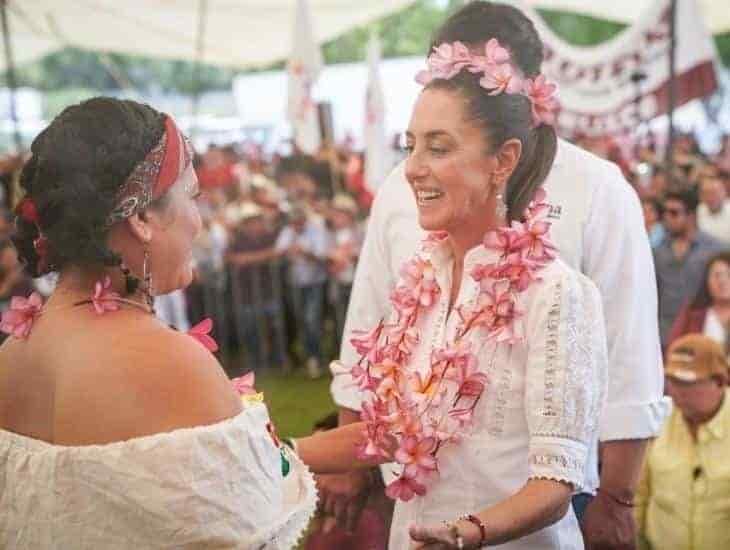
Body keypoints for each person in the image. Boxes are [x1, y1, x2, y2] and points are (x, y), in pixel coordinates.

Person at [326, 3, 667, 550]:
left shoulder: (598, 190)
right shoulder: (404, 185)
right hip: (415, 481)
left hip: (552, 485)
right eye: (452, 78)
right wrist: (308, 449)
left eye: (489, 78)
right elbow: (371, 315)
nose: (419, 164)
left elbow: (628, 350)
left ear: (531, 88)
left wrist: (619, 495)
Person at [0, 97, 383, 549]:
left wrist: (317, 449)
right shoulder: (166, 360)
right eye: (193, 196)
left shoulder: (14, 353)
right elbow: (246, 515)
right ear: (142, 216)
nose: (199, 223)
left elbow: (135, 486)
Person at [635, 334, 730, 550]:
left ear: (719, 381)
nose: (678, 392)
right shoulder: (657, 422)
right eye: (673, 381)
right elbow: (639, 496)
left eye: (689, 383)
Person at [655, 189, 724, 348]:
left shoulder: (715, 249)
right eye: (664, 212)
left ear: (691, 216)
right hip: (663, 336)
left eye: (674, 213)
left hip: (701, 334)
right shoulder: (658, 251)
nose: (667, 218)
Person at [275, 203, 329, 378]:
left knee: (311, 319)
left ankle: (316, 358)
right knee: (302, 321)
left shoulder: (316, 230)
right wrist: (288, 251)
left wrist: (304, 252)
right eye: (294, 222)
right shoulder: (288, 232)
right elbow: (278, 251)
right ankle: (310, 358)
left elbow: (321, 254)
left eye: (299, 222)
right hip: (295, 284)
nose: (297, 225)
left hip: (314, 282)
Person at [668, 251, 730, 351]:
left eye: (728, 275)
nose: (722, 281)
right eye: (717, 275)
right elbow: (674, 348)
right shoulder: (692, 312)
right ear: (706, 281)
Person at [696, 173, 730, 246]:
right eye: (706, 193)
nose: (710, 197)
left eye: (714, 192)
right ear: (701, 196)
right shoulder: (696, 212)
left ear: (724, 192)